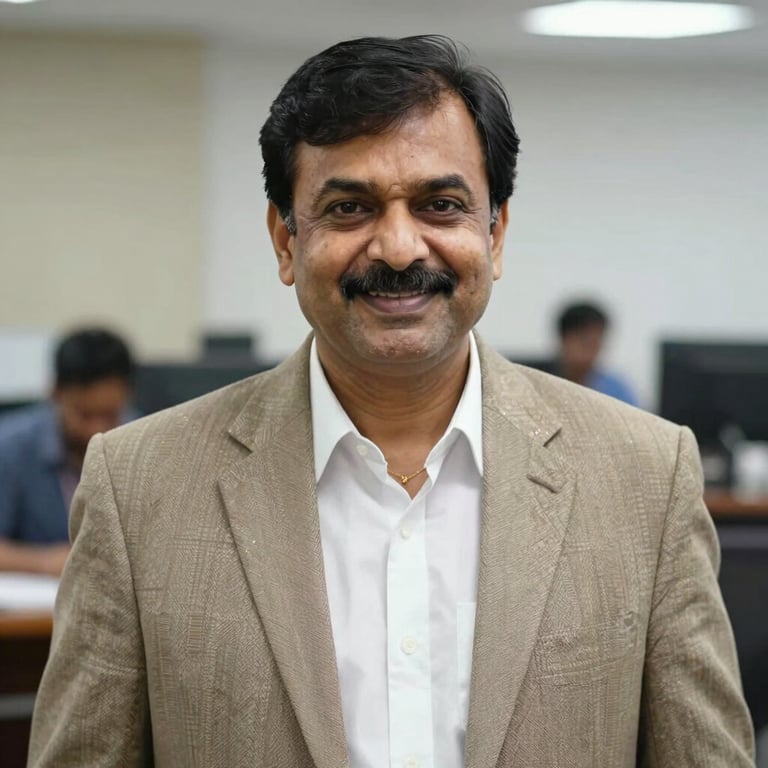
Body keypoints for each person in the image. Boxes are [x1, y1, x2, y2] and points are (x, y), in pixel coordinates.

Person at [28, 36, 753, 768]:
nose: (401, 248)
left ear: (494, 233)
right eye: (350, 207)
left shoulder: (644, 477)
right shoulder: (138, 486)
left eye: (441, 204)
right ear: (286, 240)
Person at [0, 327, 134, 576]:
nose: (97, 429)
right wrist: (44, 562)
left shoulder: (142, 443)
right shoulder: (11, 447)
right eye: (85, 415)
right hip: (36, 607)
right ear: (56, 395)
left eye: (109, 415)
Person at [554, 300, 639, 405]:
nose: (590, 352)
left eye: (596, 343)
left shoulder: (618, 390)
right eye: (584, 342)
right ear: (563, 340)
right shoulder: (541, 384)